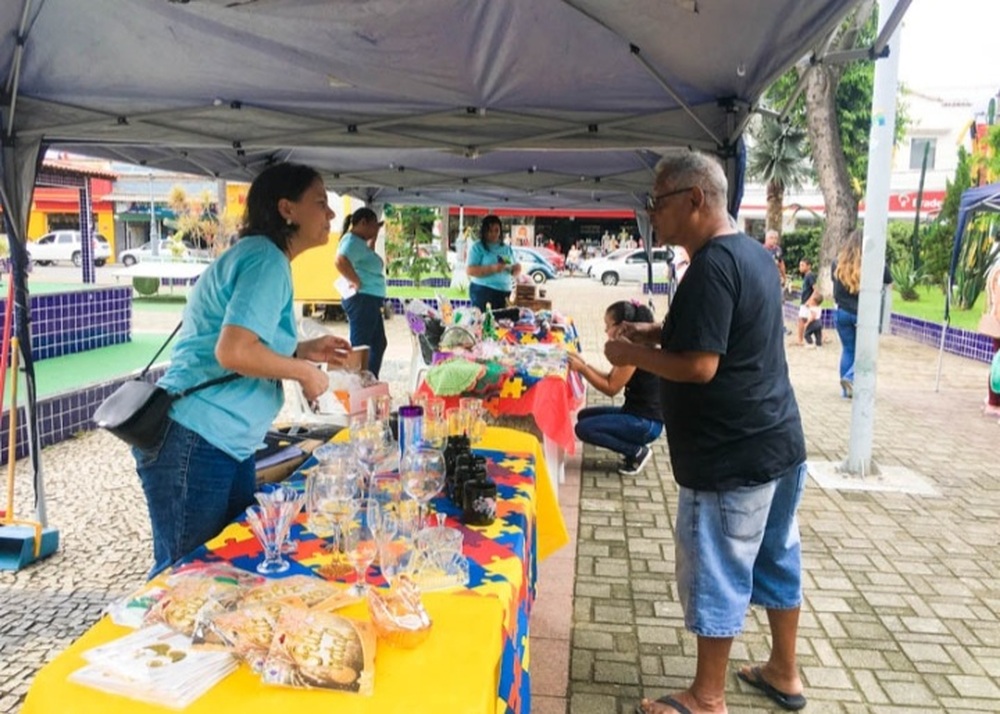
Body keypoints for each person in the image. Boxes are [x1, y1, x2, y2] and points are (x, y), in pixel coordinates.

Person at [605, 151, 807, 714]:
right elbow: (709, 332)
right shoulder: (753, 256)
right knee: (776, 555)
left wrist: (628, 353)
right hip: (781, 442)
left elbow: (700, 365)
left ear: (695, 199)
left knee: (719, 566)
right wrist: (652, 333)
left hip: (730, 455)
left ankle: (706, 697)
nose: (651, 213)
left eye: (658, 201)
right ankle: (784, 671)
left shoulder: (710, 267)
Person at [134, 162, 351, 578]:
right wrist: (304, 372)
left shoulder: (259, 257)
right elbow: (233, 350)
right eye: (321, 202)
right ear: (287, 208)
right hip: (197, 438)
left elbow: (250, 343)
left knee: (228, 567)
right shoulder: (266, 260)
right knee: (186, 577)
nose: (330, 215)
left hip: (224, 442)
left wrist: (304, 350)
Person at [567, 300, 663, 475]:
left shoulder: (635, 351)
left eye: (608, 325)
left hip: (646, 422)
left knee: (584, 428)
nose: (605, 331)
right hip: (635, 413)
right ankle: (635, 442)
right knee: (583, 416)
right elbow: (610, 377)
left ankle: (636, 451)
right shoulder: (631, 346)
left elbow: (611, 388)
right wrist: (584, 364)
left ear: (623, 327)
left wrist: (582, 369)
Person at [831, 230, 892, 398]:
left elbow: (835, 287)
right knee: (865, 351)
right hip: (863, 314)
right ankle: (850, 377)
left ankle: (846, 390)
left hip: (842, 312)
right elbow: (888, 278)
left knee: (848, 350)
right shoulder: (872, 262)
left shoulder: (838, 263)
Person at [335, 207, 388, 377]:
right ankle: (358, 386)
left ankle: (369, 380)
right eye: (374, 226)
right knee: (361, 347)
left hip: (369, 299)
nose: (375, 230)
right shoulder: (352, 241)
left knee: (378, 343)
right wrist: (355, 281)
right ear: (363, 223)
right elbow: (340, 261)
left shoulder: (358, 243)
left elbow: (365, 259)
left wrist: (374, 238)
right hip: (363, 299)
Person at [466, 214, 521, 312]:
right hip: (483, 291)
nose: (494, 234)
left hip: (504, 292)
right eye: (490, 231)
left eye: (496, 230)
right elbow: (470, 270)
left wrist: (516, 269)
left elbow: (511, 267)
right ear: (484, 231)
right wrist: (493, 269)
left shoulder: (505, 248)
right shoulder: (477, 247)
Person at [794, 258, 816, 345]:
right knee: (812, 320)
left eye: (802, 265)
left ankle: (800, 340)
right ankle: (823, 337)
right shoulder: (806, 276)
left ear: (809, 266)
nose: (800, 267)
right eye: (800, 265)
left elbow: (815, 289)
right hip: (805, 301)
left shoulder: (810, 276)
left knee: (801, 320)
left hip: (807, 302)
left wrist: (810, 300)